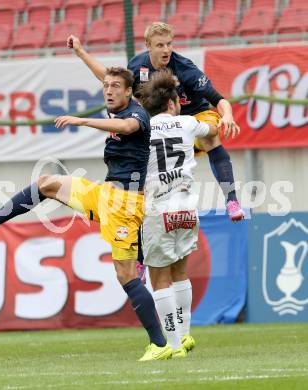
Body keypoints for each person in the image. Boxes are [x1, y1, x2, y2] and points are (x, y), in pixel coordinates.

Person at [0, 67, 173, 361]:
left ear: (128, 91)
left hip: (124, 204)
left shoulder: (137, 115)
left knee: (124, 276)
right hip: (106, 194)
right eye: (105, 86)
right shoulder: (118, 99)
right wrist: (80, 54)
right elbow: (109, 79)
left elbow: (127, 129)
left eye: (114, 87)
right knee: (48, 183)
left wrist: (82, 120)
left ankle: (160, 344)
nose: (108, 90)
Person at [66, 22, 244, 222]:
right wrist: (81, 52)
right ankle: (135, 204)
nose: (166, 49)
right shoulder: (137, 65)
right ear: (148, 45)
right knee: (135, 144)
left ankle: (232, 200)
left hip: (194, 118)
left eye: (169, 44)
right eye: (160, 45)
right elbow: (110, 80)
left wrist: (227, 116)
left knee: (211, 137)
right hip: (161, 121)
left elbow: (219, 100)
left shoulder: (186, 69)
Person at [138, 69, 221, 357]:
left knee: (159, 278)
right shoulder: (187, 122)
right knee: (181, 272)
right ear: (172, 104)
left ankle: (173, 346)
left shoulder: (143, 129)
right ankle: (185, 335)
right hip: (186, 207)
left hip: (158, 208)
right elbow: (213, 129)